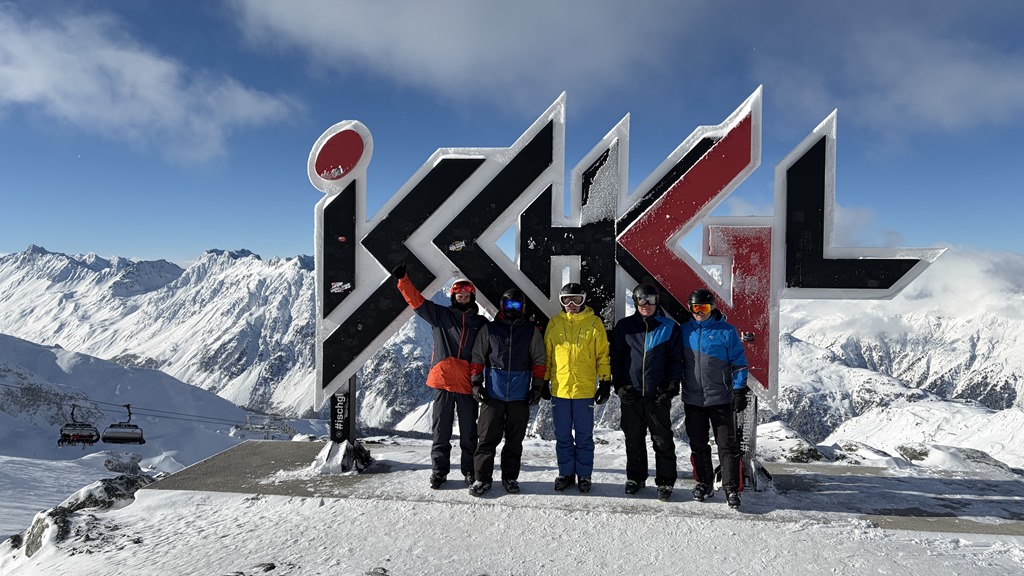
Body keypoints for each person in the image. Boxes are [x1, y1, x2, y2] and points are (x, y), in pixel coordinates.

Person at [393, 263, 487, 490]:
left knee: (468, 434)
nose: (463, 299)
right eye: (459, 295)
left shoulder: (481, 323)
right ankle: (439, 471)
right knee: (441, 432)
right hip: (443, 383)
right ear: (453, 297)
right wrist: (403, 280)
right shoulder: (441, 315)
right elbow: (417, 302)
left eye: (466, 296)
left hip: (467, 385)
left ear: (472, 297)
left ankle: (469, 471)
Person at [467, 288, 547, 496]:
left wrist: (537, 387)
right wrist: (476, 383)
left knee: (514, 441)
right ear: (502, 306)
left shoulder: (531, 331)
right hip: (493, 394)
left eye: (517, 305)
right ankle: (481, 479)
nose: (513, 309)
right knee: (486, 440)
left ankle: (510, 478)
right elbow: (477, 357)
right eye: (509, 305)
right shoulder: (490, 329)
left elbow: (539, 360)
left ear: (522, 308)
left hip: (519, 396)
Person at [611, 283, 683, 500]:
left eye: (651, 300)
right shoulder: (625, 327)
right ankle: (636, 478)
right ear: (635, 301)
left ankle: (665, 482)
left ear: (657, 301)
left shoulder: (669, 327)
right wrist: (620, 386)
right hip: (632, 394)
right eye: (642, 300)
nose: (646, 304)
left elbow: (675, 360)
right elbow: (617, 359)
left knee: (662, 440)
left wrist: (671, 387)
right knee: (633, 439)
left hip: (656, 395)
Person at [680, 288, 749, 509]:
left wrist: (739, 390)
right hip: (693, 399)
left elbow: (739, 363)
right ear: (690, 308)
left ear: (713, 308)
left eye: (704, 308)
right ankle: (704, 483)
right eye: (695, 308)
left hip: (721, 398)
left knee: (727, 446)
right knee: (698, 444)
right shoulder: (683, 331)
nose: (700, 312)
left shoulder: (727, 332)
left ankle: (731, 489)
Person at [543, 282, 612, 493]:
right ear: (561, 302)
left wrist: (606, 381)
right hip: (561, 390)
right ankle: (565, 473)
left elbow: (602, 354)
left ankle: (584, 475)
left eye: (576, 300)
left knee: (584, 436)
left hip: (584, 390)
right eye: (566, 300)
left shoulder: (594, 323)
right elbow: (547, 355)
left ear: (584, 300)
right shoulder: (554, 324)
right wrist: (544, 380)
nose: (571, 304)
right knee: (563, 436)